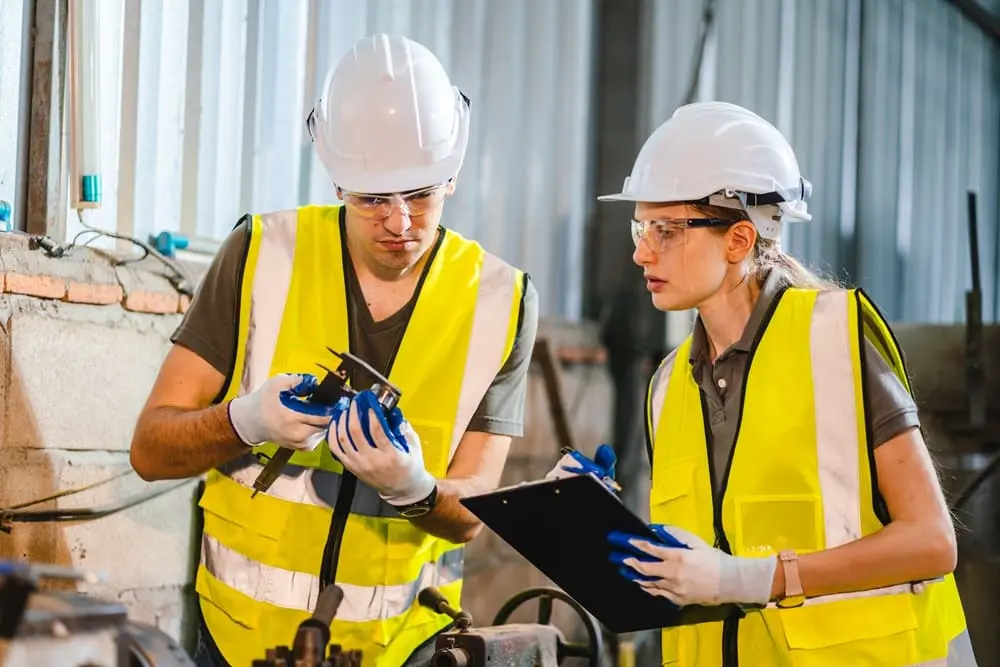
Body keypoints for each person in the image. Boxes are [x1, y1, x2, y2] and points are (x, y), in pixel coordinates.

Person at [129, 33, 538, 667]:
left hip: (400, 649)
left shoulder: (502, 299)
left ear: (452, 173)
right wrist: (245, 421)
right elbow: (151, 450)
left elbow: (472, 516)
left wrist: (417, 489)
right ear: (337, 180)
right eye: (374, 197)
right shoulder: (261, 252)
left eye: (421, 193)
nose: (400, 222)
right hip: (237, 639)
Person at [556, 101, 976, 666]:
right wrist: (591, 521)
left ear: (739, 240)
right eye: (640, 228)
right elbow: (699, 562)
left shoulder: (833, 339)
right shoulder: (667, 385)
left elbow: (931, 542)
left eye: (665, 230)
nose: (640, 252)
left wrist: (755, 578)